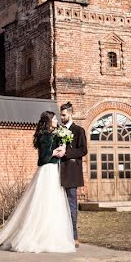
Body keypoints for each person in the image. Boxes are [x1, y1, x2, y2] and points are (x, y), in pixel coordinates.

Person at [0, 111, 76, 253]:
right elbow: (43, 158)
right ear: (49, 121)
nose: (57, 120)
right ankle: (37, 236)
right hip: (47, 172)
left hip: (53, 171)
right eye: (54, 118)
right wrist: (56, 152)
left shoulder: (52, 134)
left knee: (52, 204)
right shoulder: (46, 136)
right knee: (44, 203)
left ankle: (50, 234)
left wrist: (62, 149)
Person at [59, 102, 87, 247]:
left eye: (64, 115)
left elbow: (83, 150)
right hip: (58, 171)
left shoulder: (79, 130)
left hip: (72, 172)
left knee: (71, 204)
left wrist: (67, 153)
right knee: (59, 205)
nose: (61, 117)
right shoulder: (58, 130)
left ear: (70, 114)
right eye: (61, 115)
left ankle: (74, 236)